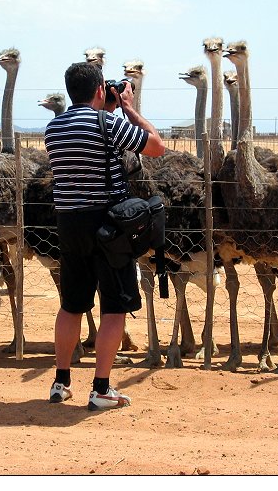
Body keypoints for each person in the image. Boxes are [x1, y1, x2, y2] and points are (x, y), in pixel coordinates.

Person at [45, 61, 165, 410]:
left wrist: (106, 110)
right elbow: (155, 146)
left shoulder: (54, 129)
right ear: (100, 90)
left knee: (71, 305)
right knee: (114, 307)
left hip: (69, 225)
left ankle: (60, 381)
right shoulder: (108, 123)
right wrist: (128, 109)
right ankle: (100, 388)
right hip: (107, 226)